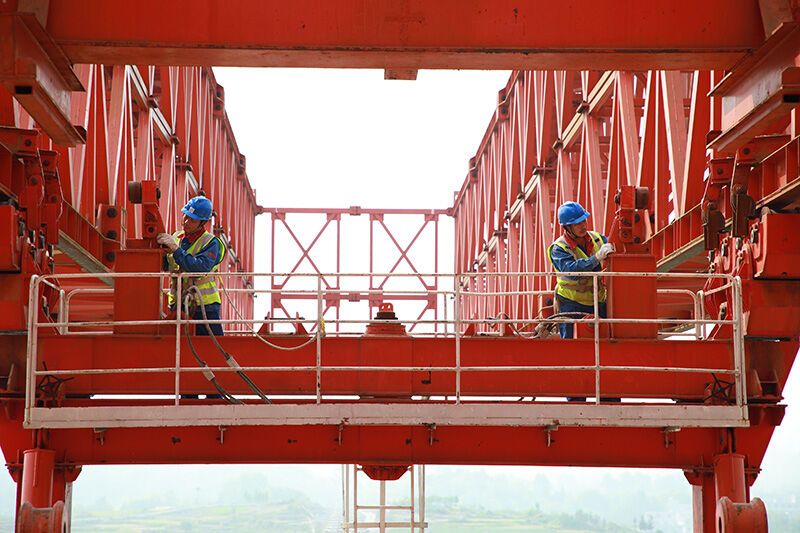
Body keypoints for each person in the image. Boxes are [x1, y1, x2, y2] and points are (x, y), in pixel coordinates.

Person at [157, 195, 226, 336]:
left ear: (202, 223)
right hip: (177, 304)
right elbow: (166, 266)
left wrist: (176, 250)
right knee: (176, 346)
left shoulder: (211, 243)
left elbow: (199, 268)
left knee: (212, 346)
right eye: (186, 216)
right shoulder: (176, 237)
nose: (186, 222)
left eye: (192, 220)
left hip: (204, 306)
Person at [547, 201, 614, 339]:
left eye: (584, 221)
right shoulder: (559, 248)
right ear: (567, 227)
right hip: (571, 304)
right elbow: (570, 271)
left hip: (598, 301)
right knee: (571, 344)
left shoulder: (598, 239)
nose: (583, 226)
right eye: (577, 223)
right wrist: (596, 258)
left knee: (604, 340)